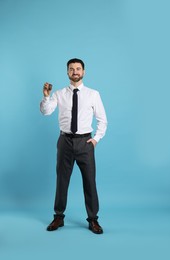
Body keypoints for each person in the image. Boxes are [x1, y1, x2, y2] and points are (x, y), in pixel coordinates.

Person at [40, 58, 107, 234]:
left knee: (89, 181)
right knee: (62, 180)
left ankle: (93, 220)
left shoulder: (93, 94)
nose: (75, 71)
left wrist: (96, 139)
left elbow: (102, 120)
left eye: (78, 69)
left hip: (85, 142)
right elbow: (46, 112)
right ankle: (59, 217)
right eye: (71, 69)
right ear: (67, 72)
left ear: (83, 72)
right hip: (65, 142)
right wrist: (46, 96)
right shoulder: (59, 94)